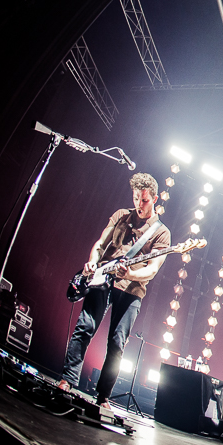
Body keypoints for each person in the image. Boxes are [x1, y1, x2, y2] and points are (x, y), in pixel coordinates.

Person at [57, 173, 170, 409]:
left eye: (144, 200)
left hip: (132, 289)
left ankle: (103, 396)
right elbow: (100, 244)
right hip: (103, 279)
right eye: (136, 198)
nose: (139, 204)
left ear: (155, 199)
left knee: (117, 343)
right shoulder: (121, 216)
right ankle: (67, 380)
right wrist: (92, 261)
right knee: (85, 326)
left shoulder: (161, 233)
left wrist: (128, 274)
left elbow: (151, 270)